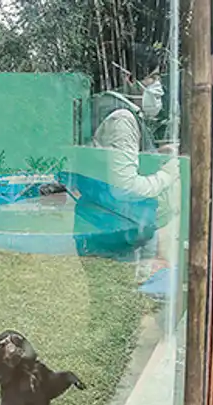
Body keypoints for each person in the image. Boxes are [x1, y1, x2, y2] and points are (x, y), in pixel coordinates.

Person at [73, 43, 181, 286]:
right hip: (117, 235)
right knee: (120, 308)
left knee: (114, 306)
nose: (158, 88)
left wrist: (152, 154)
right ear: (129, 78)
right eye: (152, 78)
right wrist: (167, 174)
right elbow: (125, 187)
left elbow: (109, 162)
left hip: (109, 227)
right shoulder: (122, 118)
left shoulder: (107, 107)